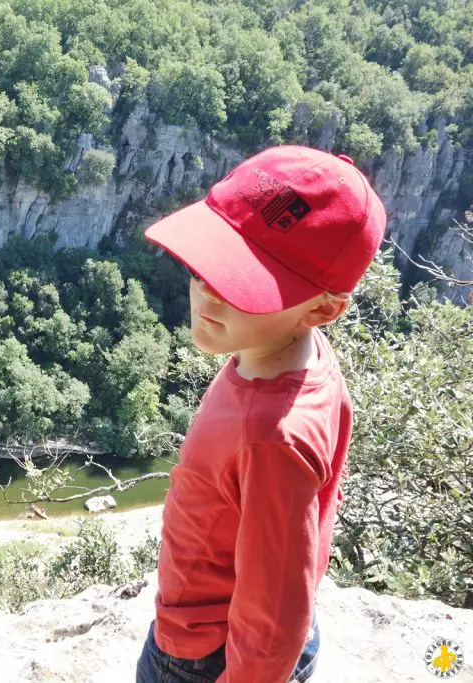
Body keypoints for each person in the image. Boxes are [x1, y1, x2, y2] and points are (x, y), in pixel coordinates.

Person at [135, 146, 386, 683]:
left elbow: (273, 615)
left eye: (237, 284)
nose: (205, 293)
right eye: (204, 268)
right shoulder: (294, 353)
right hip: (219, 634)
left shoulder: (270, 434)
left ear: (321, 308)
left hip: (207, 656)